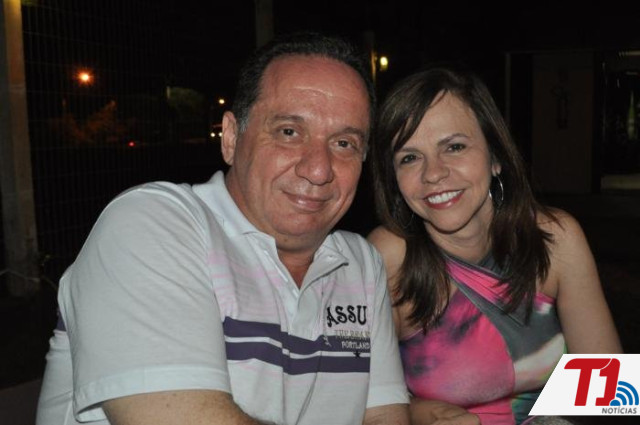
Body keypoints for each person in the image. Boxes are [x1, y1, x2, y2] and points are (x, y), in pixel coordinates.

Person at [36, 32, 409, 425]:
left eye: (344, 143)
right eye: (288, 132)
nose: (318, 169)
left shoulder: (360, 265)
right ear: (231, 137)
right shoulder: (152, 226)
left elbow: (384, 416)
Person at [367, 66, 622, 425]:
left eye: (454, 147)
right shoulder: (388, 258)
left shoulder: (555, 238)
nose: (433, 173)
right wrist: (423, 412)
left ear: (496, 157)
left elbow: (609, 389)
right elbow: (359, 401)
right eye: (409, 157)